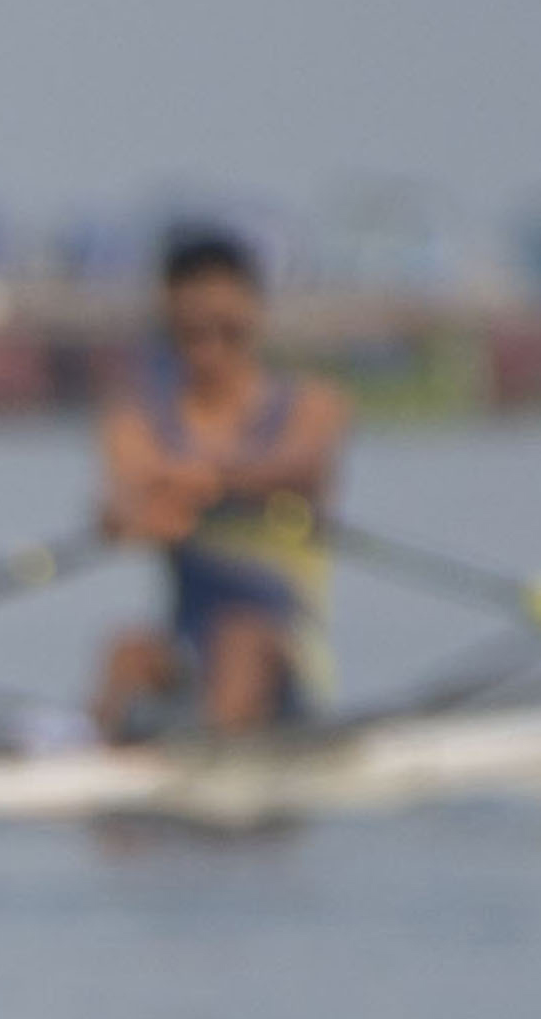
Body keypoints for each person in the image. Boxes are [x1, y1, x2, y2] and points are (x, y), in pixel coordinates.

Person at [91, 228, 350, 741]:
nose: (210, 347)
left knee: (238, 637)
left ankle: (222, 781)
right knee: (128, 652)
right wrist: (136, 514)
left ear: (254, 315)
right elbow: (122, 504)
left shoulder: (312, 404)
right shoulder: (136, 420)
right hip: (185, 639)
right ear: (169, 322)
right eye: (193, 332)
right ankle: (106, 787)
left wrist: (208, 481)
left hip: (283, 641)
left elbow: (303, 468)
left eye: (227, 330)